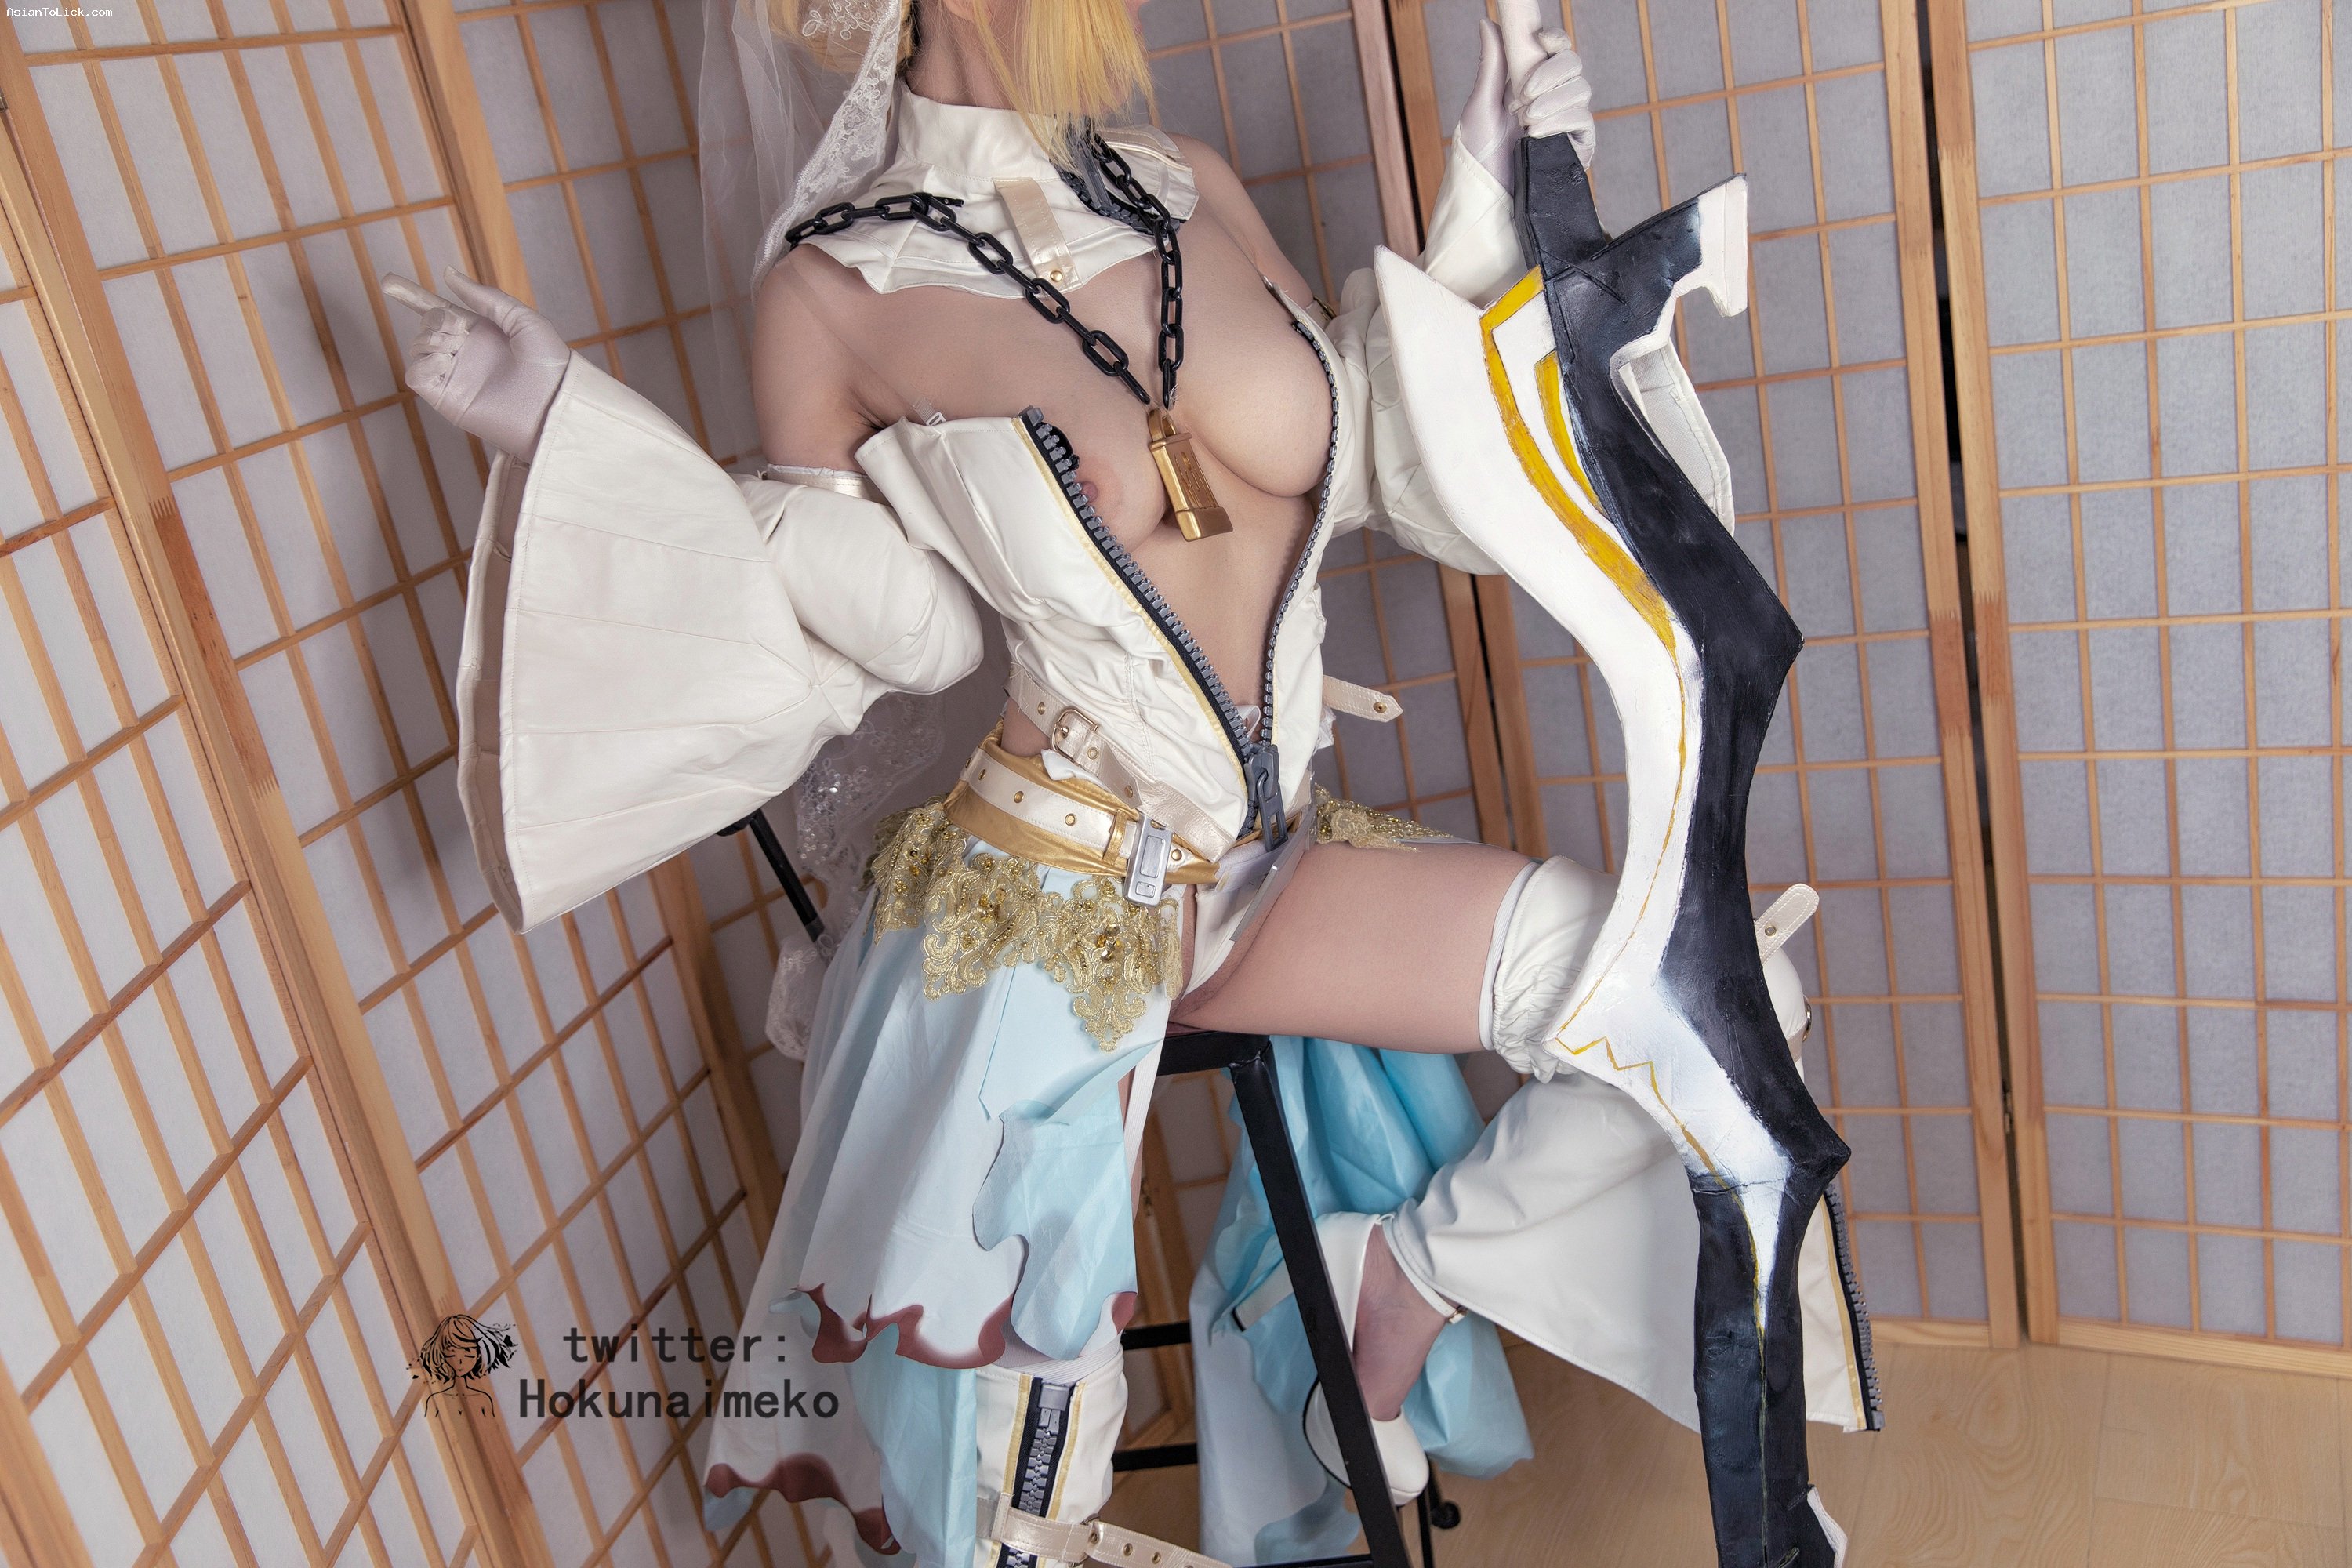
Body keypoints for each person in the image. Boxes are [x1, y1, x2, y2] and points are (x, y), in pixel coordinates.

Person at [383, 0, 1871, 1559]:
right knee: (1018, 1475)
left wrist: (1490, 177)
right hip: (1035, 892)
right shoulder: (830, 292)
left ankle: (1397, 1284)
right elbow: (899, 632)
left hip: (1262, 866)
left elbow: (1380, 460)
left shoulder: (1186, 185)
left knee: (1707, 1013)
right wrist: (569, 428)